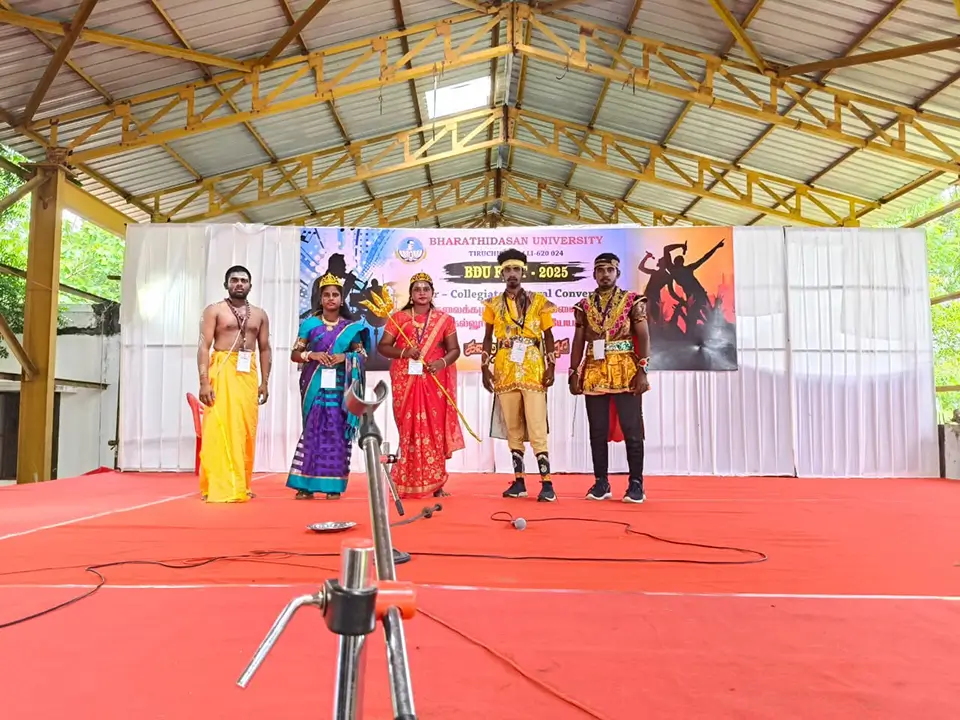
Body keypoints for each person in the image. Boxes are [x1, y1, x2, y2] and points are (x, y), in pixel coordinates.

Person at [569, 253, 650, 504]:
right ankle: (601, 482)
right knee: (597, 430)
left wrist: (643, 369)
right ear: (594, 274)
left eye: (610, 270)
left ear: (617, 273)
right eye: (600, 270)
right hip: (594, 371)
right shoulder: (584, 305)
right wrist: (573, 372)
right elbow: (578, 340)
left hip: (626, 370)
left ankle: (636, 484)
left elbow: (643, 336)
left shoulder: (632, 301)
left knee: (632, 429)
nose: (605, 274)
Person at [377, 272, 464, 498]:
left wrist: (441, 363)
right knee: (409, 430)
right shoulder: (399, 318)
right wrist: (404, 352)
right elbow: (383, 347)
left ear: (433, 293)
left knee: (434, 431)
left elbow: (455, 350)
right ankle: (406, 481)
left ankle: (436, 483)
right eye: (417, 289)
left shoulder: (445, 320)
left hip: (434, 381)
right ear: (411, 294)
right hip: (405, 381)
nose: (422, 293)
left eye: (426, 289)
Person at [481, 249, 558, 502]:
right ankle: (519, 482)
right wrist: (484, 367)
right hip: (504, 369)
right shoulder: (493, 304)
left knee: (536, 424)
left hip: (533, 368)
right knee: (512, 426)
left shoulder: (539, 302)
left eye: (516, 269)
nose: (512, 274)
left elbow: (548, 336)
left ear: (523, 272)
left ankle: (547, 483)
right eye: (507, 270)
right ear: (501, 274)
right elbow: (487, 337)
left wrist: (551, 366)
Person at [286, 273, 371, 500]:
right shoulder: (310, 324)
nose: (331, 298)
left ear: (342, 300)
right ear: (320, 299)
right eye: (326, 295)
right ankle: (306, 485)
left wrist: (345, 357)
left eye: (335, 295)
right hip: (315, 387)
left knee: (336, 432)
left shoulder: (350, 328)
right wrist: (311, 355)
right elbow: (295, 354)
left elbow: (362, 355)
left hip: (340, 389)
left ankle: (333, 485)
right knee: (313, 432)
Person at [197, 265, 272, 503]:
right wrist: (204, 382)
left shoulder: (260, 314)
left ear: (250, 285)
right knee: (219, 428)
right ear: (226, 284)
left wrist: (265, 382)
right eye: (234, 280)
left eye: (243, 280)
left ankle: (240, 483)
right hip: (222, 370)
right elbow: (203, 346)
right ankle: (219, 485)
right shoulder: (214, 310)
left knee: (245, 429)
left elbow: (265, 349)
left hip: (247, 374)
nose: (239, 284)